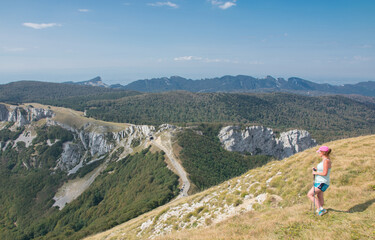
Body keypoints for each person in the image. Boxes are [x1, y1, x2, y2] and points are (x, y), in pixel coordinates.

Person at [307, 145, 332, 216]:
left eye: (319, 152)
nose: (318, 153)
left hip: (322, 182)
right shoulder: (324, 160)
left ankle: (320, 210)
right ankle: (321, 209)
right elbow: (324, 169)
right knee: (319, 196)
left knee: (310, 194)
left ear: (323, 152)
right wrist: (317, 169)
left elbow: (325, 173)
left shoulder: (326, 161)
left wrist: (315, 172)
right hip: (320, 181)